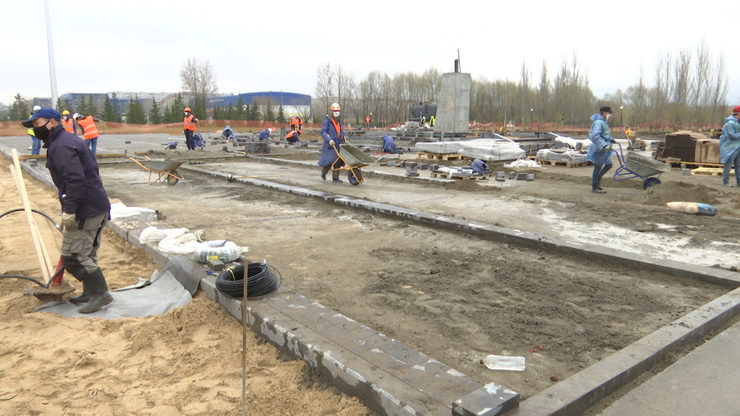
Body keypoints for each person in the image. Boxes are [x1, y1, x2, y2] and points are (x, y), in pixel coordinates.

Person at [21, 108, 112, 313]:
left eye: (37, 124)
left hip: (85, 208)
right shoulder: (65, 141)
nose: (35, 129)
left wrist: (70, 209)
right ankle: (91, 293)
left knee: (73, 256)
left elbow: (74, 179)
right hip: (96, 205)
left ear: (52, 123)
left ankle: (100, 294)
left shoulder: (61, 146)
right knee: (87, 253)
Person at [586, 106, 615, 193]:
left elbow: (604, 134)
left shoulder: (604, 122)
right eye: (609, 113)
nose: (610, 115)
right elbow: (596, 136)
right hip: (599, 148)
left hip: (604, 148)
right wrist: (604, 145)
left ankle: (597, 181)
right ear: (604, 113)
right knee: (598, 166)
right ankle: (595, 187)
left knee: (609, 164)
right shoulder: (598, 122)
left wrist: (610, 139)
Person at [318, 103, 347, 182]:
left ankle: (335, 178)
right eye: (335, 111)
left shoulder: (340, 122)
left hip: (338, 144)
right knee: (329, 161)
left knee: (338, 161)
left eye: (337, 110)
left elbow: (342, 132)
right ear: (332, 112)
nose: (336, 112)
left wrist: (346, 139)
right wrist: (329, 139)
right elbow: (323, 132)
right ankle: (323, 173)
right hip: (330, 145)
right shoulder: (327, 122)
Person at [720, 106, 740, 187]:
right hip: (729, 148)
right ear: (738, 113)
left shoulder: (738, 122)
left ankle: (739, 182)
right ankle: (726, 182)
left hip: (737, 147)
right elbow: (731, 135)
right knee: (728, 164)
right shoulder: (730, 123)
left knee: (738, 164)